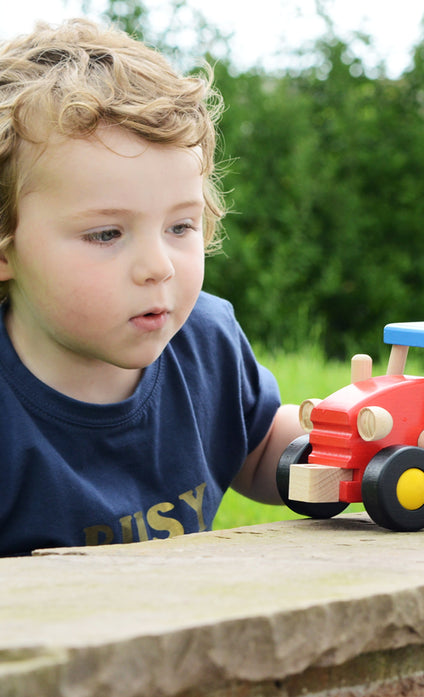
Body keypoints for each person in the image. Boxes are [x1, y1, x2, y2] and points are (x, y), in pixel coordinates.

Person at [0, 19, 304, 556]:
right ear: (7, 248)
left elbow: (257, 454)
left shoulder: (206, 340)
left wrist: (340, 441)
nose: (158, 266)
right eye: (107, 233)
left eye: (180, 227)